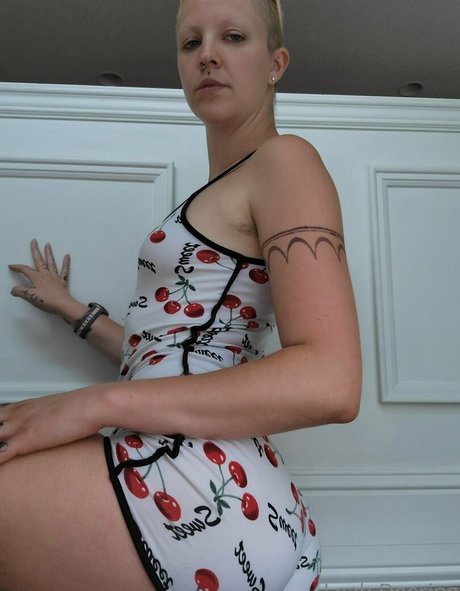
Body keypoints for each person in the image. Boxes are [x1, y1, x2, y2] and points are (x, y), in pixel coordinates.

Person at [0, 0, 362, 589]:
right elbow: (173, 352)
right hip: (201, 474)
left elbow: (331, 382)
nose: (207, 55)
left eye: (233, 37)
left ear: (276, 63)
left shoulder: (285, 161)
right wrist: (75, 311)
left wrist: (92, 404)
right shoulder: (225, 187)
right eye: (191, 42)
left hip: (198, 483)